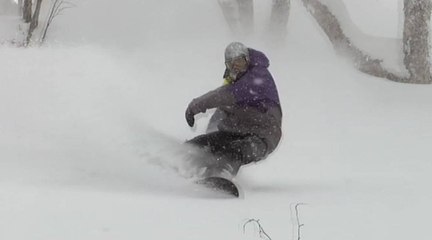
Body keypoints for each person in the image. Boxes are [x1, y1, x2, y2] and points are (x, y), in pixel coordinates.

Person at [185, 42, 282, 179]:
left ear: (247, 60)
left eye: (239, 61)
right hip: (236, 132)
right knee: (198, 146)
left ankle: (221, 176)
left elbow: (224, 96)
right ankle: (182, 165)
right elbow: (222, 109)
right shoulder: (233, 80)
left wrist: (194, 106)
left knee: (234, 151)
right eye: (231, 63)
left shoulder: (258, 76)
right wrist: (211, 138)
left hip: (262, 136)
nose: (236, 66)